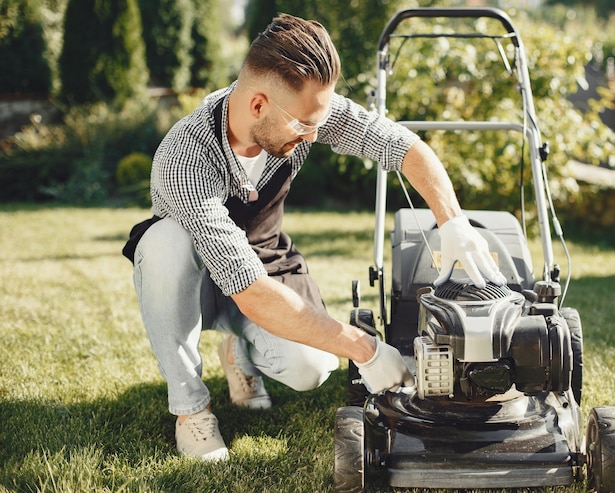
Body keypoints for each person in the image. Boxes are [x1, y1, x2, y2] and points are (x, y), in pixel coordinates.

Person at [123, 13, 506, 462]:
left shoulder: (305, 111)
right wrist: (365, 349)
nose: (313, 134)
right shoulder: (185, 158)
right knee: (165, 243)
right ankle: (192, 410)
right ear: (259, 106)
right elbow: (249, 291)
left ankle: (239, 350)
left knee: (311, 368)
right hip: (199, 281)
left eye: (317, 124)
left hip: (266, 259)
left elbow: (403, 146)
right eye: (303, 125)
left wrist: (453, 222)